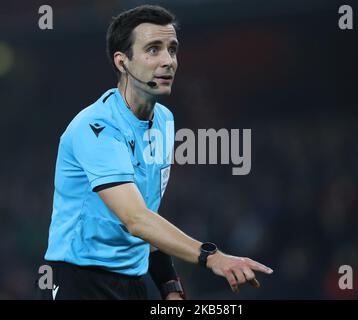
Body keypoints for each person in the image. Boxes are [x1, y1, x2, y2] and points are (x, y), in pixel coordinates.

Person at [38, 4, 273, 300]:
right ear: (122, 62)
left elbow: (149, 215)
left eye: (172, 49)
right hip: (79, 283)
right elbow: (135, 219)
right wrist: (213, 257)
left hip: (132, 284)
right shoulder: (96, 127)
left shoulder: (164, 120)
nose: (168, 61)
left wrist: (168, 285)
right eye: (153, 50)